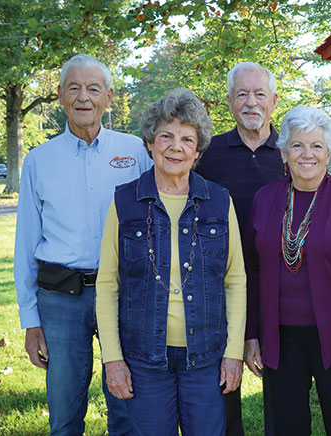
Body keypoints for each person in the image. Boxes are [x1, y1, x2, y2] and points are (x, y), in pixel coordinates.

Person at [95, 88, 246, 435]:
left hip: (206, 358)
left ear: (198, 150)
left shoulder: (219, 201)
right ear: (150, 142)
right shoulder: (125, 202)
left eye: (187, 139)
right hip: (144, 360)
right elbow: (107, 285)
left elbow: (235, 281)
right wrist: (113, 359)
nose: (175, 147)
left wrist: (233, 352)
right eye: (166, 136)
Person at [14, 53, 150, 436]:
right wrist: (31, 320)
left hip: (124, 295)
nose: (83, 97)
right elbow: (26, 242)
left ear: (109, 96)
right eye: (73, 87)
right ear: (59, 95)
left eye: (93, 88)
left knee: (128, 408)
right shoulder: (39, 161)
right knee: (64, 412)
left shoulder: (135, 152)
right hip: (60, 300)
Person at [244, 106, 331, 436]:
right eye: (297, 145)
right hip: (279, 339)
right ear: (283, 153)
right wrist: (250, 335)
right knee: (288, 427)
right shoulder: (265, 199)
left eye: (317, 146)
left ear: (329, 153)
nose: (307, 154)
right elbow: (252, 273)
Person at [195, 61, 285, 436]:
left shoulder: (292, 152)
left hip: (282, 287)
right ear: (230, 102)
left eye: (259, 94)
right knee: (223, 389)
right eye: (242, 94)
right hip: (220, 288)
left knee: (282, 393)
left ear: (273, 101)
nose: (251, 102)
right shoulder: (208, 155)